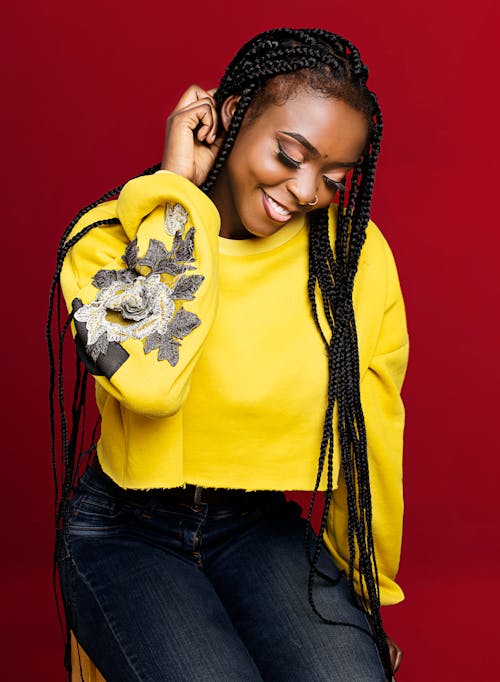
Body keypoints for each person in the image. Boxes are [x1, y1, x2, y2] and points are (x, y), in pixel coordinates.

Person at [48, 27, 408, 682]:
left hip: (258, 527)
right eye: (290, 154)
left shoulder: (352, 258)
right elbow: (150, 380)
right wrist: (175, 193)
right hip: (125, 530)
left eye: (331, 177)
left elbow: (373, 434)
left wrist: (364, 592)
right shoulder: (104, 242)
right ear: (233, 113)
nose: (305, 189)